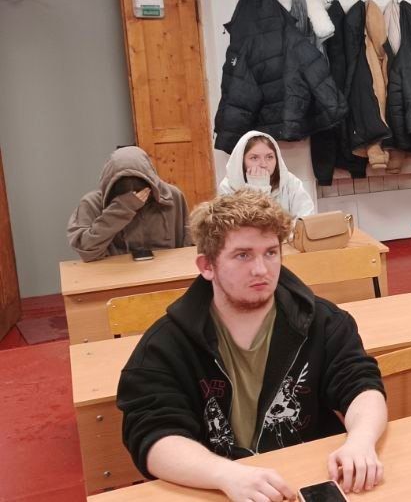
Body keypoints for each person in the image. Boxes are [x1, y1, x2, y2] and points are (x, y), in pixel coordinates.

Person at [116, 190, 387, 501]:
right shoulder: (165, 346)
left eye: (270, 252)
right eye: (243, 255)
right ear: (207, 266)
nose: (261, 269)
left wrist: (360, 441)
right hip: (216, 488)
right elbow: (153, 435)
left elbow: (361, 386)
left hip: (309, 477)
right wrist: (224, 474)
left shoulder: (323, 321)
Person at [68, 146, 190, 262]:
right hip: (115, 273)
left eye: (140, 193)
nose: (137, 198)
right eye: (126, 194)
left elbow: (189, 243)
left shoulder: (172, 196)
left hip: (168, 271)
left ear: (151, 184)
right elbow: (86, 251)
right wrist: (121, 209)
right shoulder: (92, 203)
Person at [218, 131, 316, 219]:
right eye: (254, 158)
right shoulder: (228, 187)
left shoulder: (290, 181)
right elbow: (245, 227)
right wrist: (258, 189)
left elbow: (307, 219)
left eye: (269, 157)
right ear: (241, 161)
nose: (263, 164)